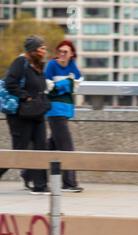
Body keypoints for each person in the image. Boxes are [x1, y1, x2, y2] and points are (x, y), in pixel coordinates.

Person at [0, 35, 50, 194]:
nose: (44, 51)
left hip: (36, 113)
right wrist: (25, 96)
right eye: (41, 48)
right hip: (20, 115)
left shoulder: (38, 65)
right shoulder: (20, 62)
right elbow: (10, 83)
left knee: (41, 147)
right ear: (33, 50)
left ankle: (40, 186)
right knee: (19, 150)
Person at [44, 40, 83, 192]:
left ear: (72, 54)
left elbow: (76, 86)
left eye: (65, 52)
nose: (61, 54)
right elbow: (49, 88)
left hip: (66, 112)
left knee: (49, 146)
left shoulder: (73, 67)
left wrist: (63, 85)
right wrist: (67, 83)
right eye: (59, 51)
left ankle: (28, 173)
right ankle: (69, 183)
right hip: (54, 112)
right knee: (67, 148)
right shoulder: (52, 65)